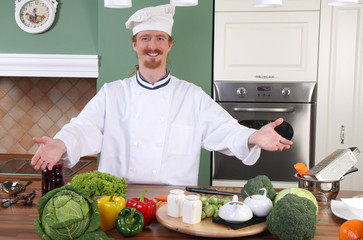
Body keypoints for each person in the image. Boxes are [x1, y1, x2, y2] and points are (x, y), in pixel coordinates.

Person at [31, 4, 293, 185]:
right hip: (117, 198)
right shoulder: (112, 94)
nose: (152, 46)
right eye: (145, 38)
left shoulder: (191, 95)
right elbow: (83, 127)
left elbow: (226, 130)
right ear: (134, 44)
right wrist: (61, 143)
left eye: (159, 38)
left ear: (169, 44)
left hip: (173, 201)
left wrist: (254, 136)